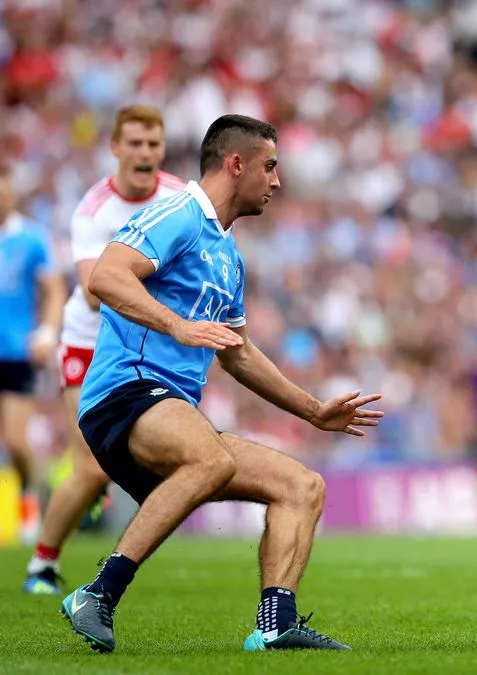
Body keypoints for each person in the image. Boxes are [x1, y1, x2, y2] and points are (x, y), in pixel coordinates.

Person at [59, 114, 384, 654]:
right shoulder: (179, 213)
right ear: (237, 164)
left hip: (169, 407)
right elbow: (106, 275)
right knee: (211, 460)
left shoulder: (228, 256)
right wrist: (176, 324)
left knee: (303, 487)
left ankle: (275, 624)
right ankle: (99, 593)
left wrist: (312, 410)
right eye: (270, 166)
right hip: (124, 392)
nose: (277, 181)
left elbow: (238, 354)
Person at [25, 104, 187, 595]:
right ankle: (43, 565)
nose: (144, 153)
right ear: (116, 148)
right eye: (134, 143)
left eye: (153, 144)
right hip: (88, 344)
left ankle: (105, 486)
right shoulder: (94, 210)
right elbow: (97, 292)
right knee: (92, 470)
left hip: (143, 346)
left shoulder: (180, 199)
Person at [0, 162, 66, 545]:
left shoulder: (32, 238)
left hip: (14, 350)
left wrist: (46, 331)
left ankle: (28, 501)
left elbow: (53, 289)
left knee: (15, 441)